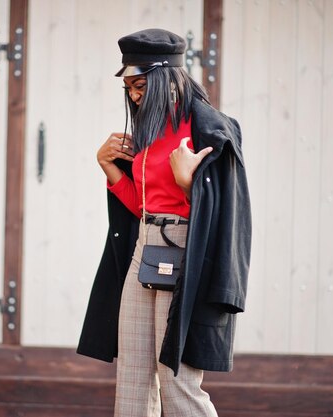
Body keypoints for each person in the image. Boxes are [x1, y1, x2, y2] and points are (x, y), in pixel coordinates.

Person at [77, 28, 252, 417]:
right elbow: (144, 208)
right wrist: (110, 168)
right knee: (134, 379)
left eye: (140, 85)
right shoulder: (148, 130)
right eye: (129, 88)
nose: (135, 96)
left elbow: (228, 214)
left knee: (176, 382)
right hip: (145, 246)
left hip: (187, 251)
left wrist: (190, 184)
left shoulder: (209, 127)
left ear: (165, 79)